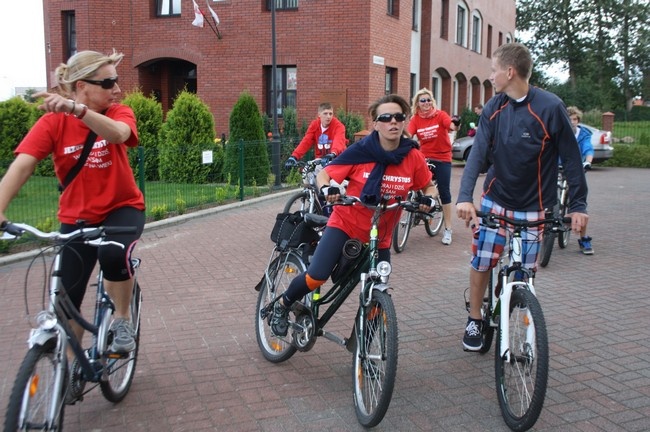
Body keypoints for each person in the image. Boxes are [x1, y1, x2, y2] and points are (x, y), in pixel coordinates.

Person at [0, 49, 145, 355]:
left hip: (122, 208)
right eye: (107, 83)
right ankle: (68, 375)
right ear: (82, 86)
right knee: (68, 301)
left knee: (113, 253)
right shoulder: (53, 123)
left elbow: (119, 135)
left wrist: (76, 111)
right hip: (78, 216)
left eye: (116, 81)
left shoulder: (118, 112)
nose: (116, 89)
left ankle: (122, 319)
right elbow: (23, 166)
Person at [455, 43, 589, 351]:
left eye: (493, 70)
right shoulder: (494, 108)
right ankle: (475, 318)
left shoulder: (550, 107)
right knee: (483, 260)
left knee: (526, 274)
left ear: (509, 72)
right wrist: (465, 197)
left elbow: (571, 158)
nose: (490, 76)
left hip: (535, 207)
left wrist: (578, 205)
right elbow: (477, 155)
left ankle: (522, 311)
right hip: (496, 199)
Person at [270, 94, 438, 336]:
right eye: (386, 117)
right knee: (317, 276)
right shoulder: (360, 151)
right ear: (375, 123)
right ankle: (283, 305)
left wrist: (429, 199)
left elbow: (428, 186)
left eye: (399, 117)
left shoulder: (412, 156)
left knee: (379, 288)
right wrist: (327, 189)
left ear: (404, 122)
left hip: (380, 236)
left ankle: (366, 354)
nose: (393, 122)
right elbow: (324, 175)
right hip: (345, 225)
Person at [407, 88, 459, 245]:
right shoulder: (416, 119)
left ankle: (448, 229)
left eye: (429, 100)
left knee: (444, 191)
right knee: (416, 182)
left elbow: (450, 126)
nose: (426, 103)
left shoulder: (440, 115)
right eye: (422, 100)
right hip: (424, 157)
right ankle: (421, 204)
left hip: (442, 157)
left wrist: (455, 124)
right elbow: (409, 135)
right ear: (417, 103)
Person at [284, 102, 347, 169]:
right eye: (325, 113)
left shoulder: (338, 126)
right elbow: (306, 141)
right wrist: (294, 156)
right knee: (309, 173)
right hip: (320, 160)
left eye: (330, 114)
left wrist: (333, 153)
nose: (328, 116)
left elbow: (339, 141)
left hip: (338, 160)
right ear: (319, 115)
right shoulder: (315, 125)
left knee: (331, 178)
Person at [567, 106, 595, 255]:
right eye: (569, 119)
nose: (572, 122)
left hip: (576, 169)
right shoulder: (560, 132)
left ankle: (584, 239)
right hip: (558, 167)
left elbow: (588, 149)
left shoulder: (583, 134)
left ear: (578, 120)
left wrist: (588, 161)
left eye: (574, 119)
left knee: (579, 203)